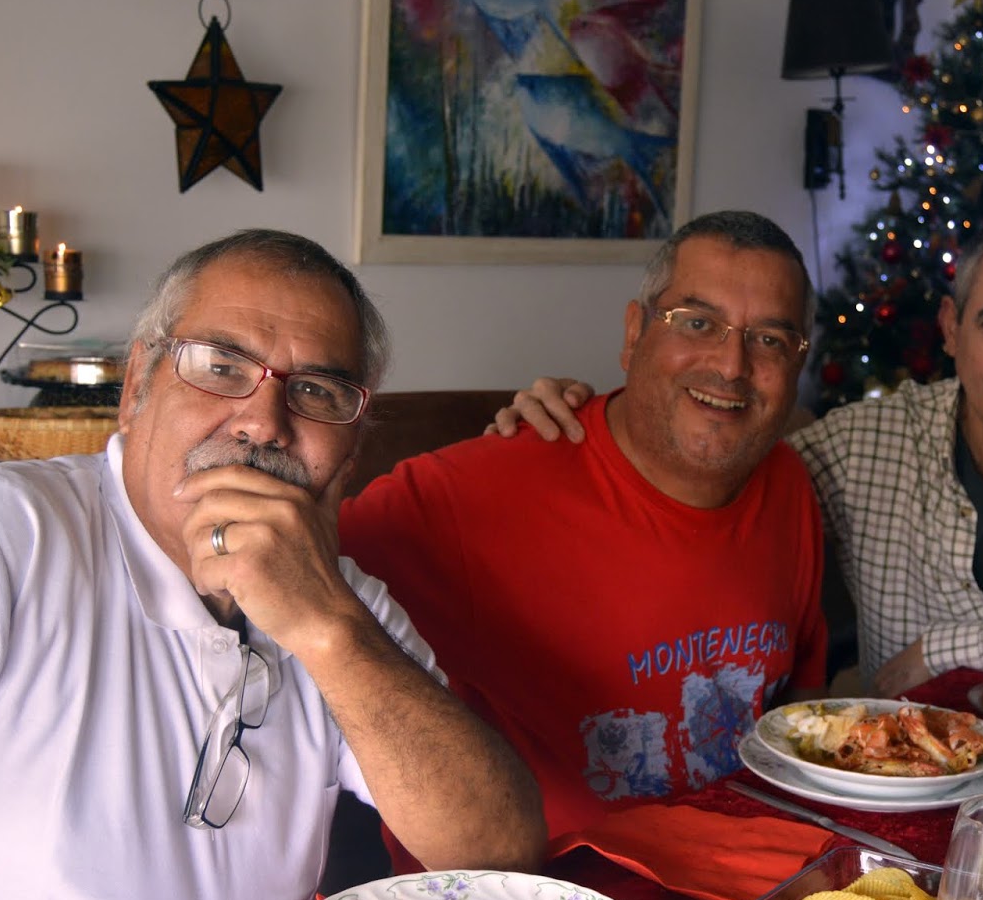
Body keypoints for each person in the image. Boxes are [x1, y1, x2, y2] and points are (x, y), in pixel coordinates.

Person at [0, 229, 545, 900]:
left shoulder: (342, 603)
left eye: (317, 392)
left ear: (352, 449)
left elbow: (494, 851)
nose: (263, 421)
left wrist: (325, 627)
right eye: (221, 367)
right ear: (137, 387)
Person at [492, 215, 983, 698]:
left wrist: (943, 650)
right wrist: (581, 424)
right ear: (951, 329)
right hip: (903, 783)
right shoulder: (863, 445)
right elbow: (705, 466)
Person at [339, 210, 829, 841]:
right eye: (698, 323)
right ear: (634, 333)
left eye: (769, 340)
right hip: (542, 893)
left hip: (758, 872)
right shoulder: (476, 492)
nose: (732, 365)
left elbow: (802, 717)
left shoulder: (788, 482)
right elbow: (284, 569)